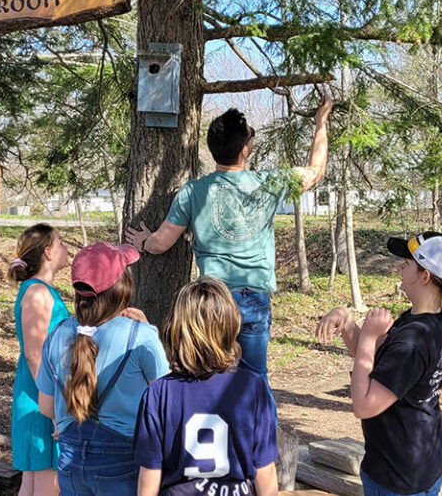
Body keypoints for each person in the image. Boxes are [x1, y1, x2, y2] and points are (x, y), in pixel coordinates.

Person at [125, 88, 333, 415]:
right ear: (245, 150)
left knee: (208, 374)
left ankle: (212, 438)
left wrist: (142, 242)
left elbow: (163, 242)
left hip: (212, 301)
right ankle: (261, 449)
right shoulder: (269, 183)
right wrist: (321, 122)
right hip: (254, 299)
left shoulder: (194, 191)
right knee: (255, 377)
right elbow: (316, 171)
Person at [316, 232, 442, 496]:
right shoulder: (428, 319)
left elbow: (364, 405)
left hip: (397, 476)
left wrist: (368, 335)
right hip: (420, 461)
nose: (400, 265)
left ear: (425, 277)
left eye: (408, 262)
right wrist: (348, 323)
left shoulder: (412, 342)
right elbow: (379, 363)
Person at [36, 242, 170, 496]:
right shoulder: (140, 336)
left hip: (70, 460)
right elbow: (167, 400)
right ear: (122, 288)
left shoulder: (57, 334)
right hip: (125, 459)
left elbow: (45, 406)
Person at [134, 276, 279, 496]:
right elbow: (265, 473)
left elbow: (149, 478)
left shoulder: (158, 394)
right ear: (231, 326)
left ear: (176, 328)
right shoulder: (253, 388)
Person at [8, 224, 71, 496]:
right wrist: (55, 409)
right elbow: (35, 354)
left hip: (41, 393)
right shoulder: (38, 293)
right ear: (48, 252)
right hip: (40, 397)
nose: (67, 248)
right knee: (48, 483)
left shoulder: (40, 290)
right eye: (61, 242)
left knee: (34, 483)